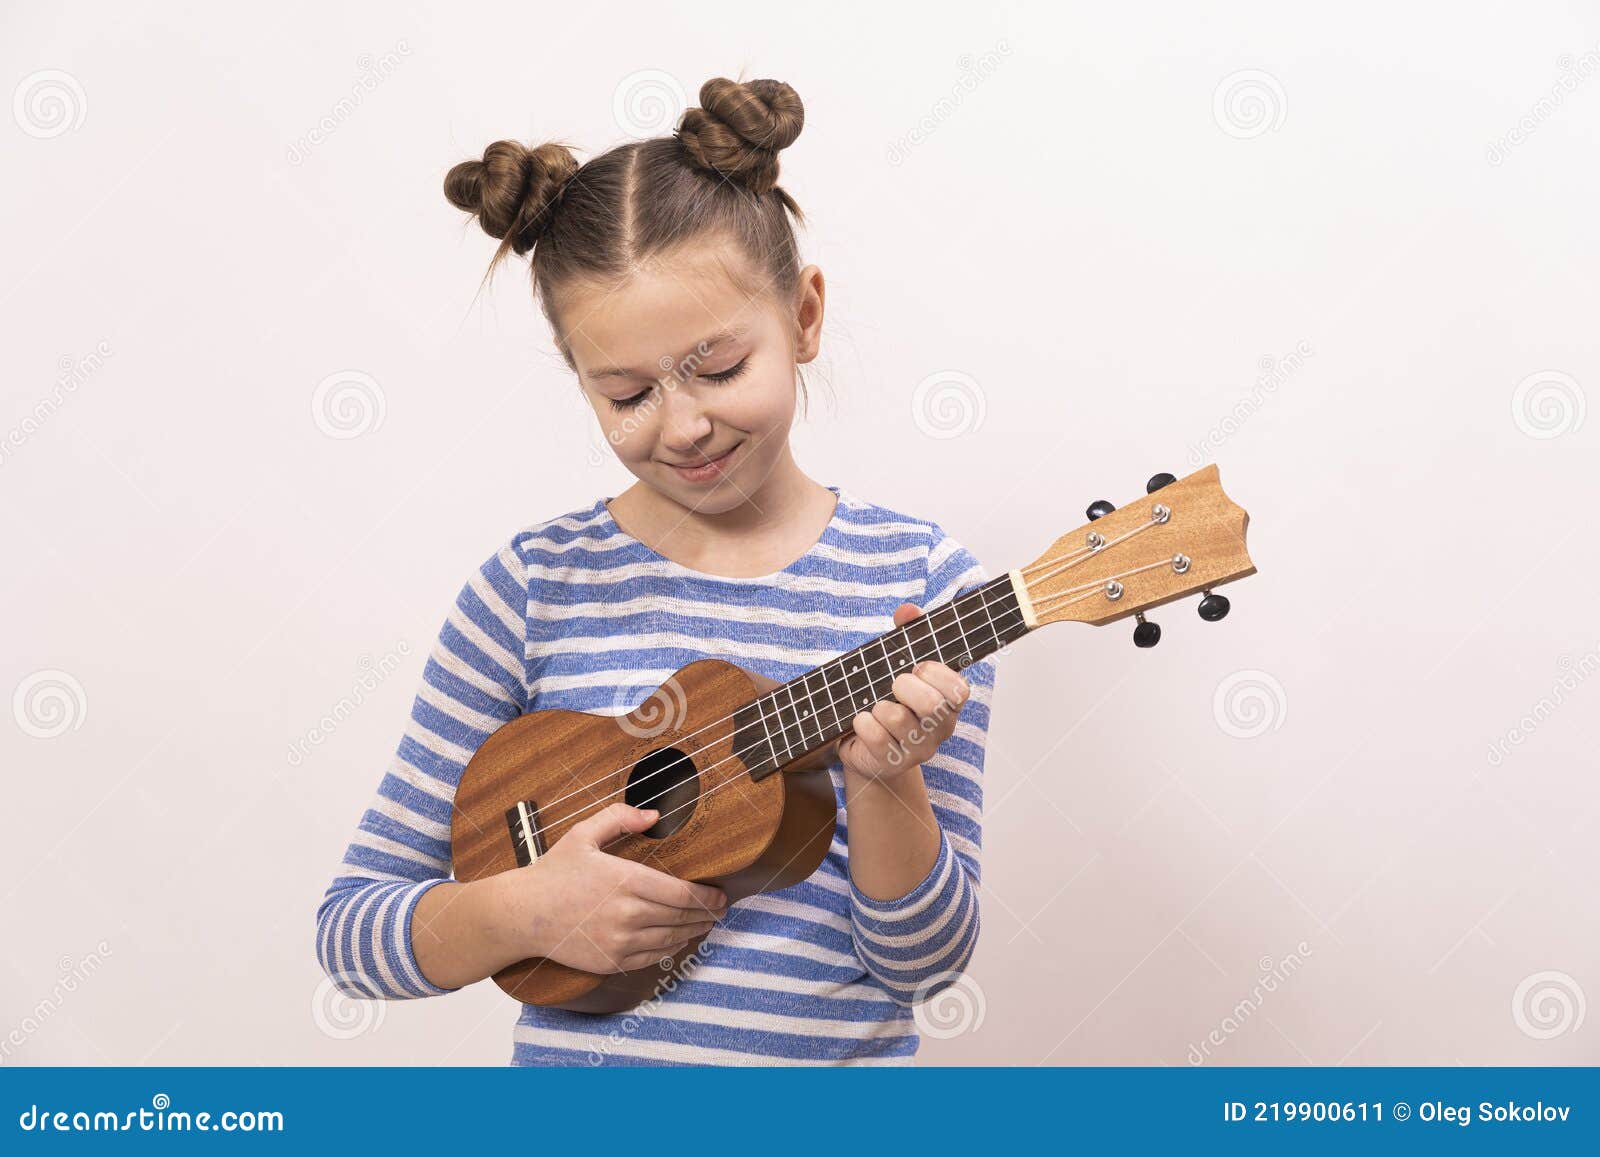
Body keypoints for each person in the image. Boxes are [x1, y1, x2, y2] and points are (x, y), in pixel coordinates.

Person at [314, 76, 998, 1065]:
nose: (682, 425)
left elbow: (922, 968)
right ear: (576, 374)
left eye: (718, 369)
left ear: (804, 315)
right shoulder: (532, 587)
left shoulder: (922, 584)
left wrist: (890, 784)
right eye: (627, 392)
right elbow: (352, 931)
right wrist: (525, 912)